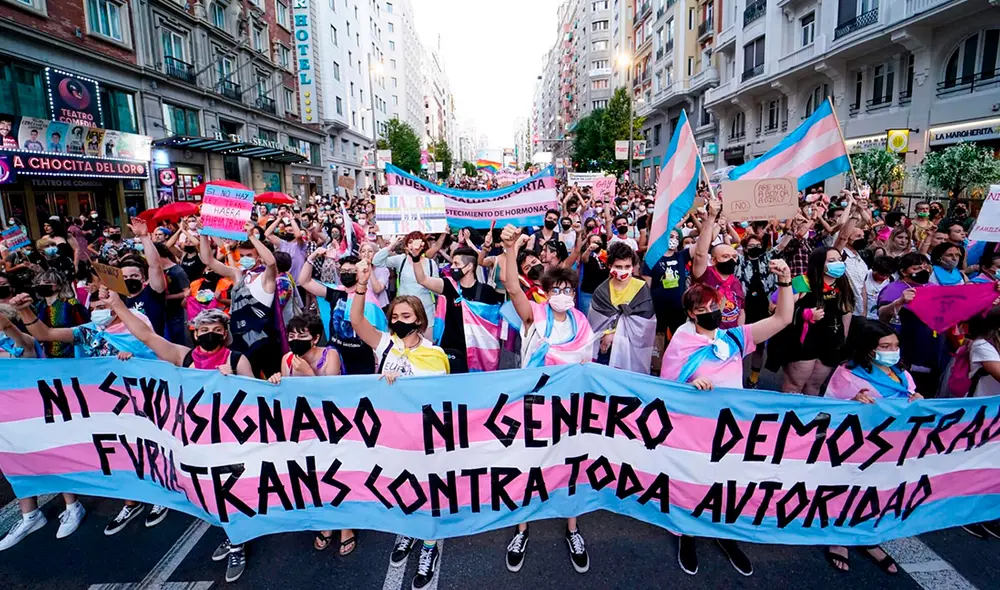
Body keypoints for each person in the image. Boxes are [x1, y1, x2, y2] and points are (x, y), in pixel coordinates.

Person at [660, 259, 793, 577]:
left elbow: (783, 318)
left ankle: (723, 532)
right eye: (705, 306)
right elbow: (666, 389)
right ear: (692, 313)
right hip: (691, 432)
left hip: (731, 430)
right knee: (691, 481)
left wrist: (786, 281)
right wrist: (690, 386)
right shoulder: (680, 345)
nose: (713, 310)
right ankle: (687, 533)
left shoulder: (734, 339)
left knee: (727, 483)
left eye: (716, 304)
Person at [108, 296, 254, 581]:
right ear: (195, 333)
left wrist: (236, 378)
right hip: (195, 439)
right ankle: (233, 534)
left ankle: (238, 543)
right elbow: (146, 336)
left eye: (216, 329)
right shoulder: (183, 357)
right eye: (203, 329)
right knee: (209, 494)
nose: (209, 333)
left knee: (229, 492)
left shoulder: (237, 359)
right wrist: (118, 307)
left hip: (229, 438)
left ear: (225, 332)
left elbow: (256, 398)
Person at [500, 224, 594, 575]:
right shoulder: (534, 317)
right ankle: (522, 528)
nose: (564, 294)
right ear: (546, 291)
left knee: (571, 469)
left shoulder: (582, 322)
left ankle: (573, 530)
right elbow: (511, 286)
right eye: (558, 289)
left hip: (571, 411)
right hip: (534, 409)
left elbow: (589, 367)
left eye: (569, 289)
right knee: (529, 468)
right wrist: (510, 249)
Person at [350, 260, 449, 590]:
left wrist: (405, 380)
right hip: (391, 435)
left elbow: (439, 395)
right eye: (395, 316)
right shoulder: (385, 344)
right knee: (403, 486)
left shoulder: (435, 354)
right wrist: (361, 285)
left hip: (424, 435)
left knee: (428, 488)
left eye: (406, 317)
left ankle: (429, 546)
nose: (398, 321)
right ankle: (408, 530)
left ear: (419, 320)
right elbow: (357, 321)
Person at [822, 318, 922, 572]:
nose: (892, 352)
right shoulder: (848, 374)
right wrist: (853, 402)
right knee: (849, 489)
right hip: (859, 447)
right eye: (885, 346)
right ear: (868, 347)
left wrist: (919, 400)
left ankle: (869, 538)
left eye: (895, 345)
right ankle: (839, 539)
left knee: (881, 491)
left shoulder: (902, 374)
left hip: (894, 446)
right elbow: (828, 409)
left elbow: (913, 402)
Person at [198, 225, 278, 377]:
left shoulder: (266, 278)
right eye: (241, 256)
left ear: (259, 257)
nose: (244, 259)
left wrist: (252, 237)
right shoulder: (238, 275)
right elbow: (209, 260)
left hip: (261, 340)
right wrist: (204, 233)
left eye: (249, 255)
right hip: (237, 337)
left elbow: (271, 263)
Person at [412, 246, 503, 373]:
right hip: (450, 347)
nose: (452, 267)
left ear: (469, 266)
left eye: (456, 263)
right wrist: (415, 259)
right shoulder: (449, 285)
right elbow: (423, 280)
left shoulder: (486, 292)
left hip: (477, 350)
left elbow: (493, 325)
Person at [781, 247, 856, 395]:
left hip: (831, 340)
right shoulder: (801, 281)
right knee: (794, 386)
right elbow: (775, 306)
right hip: (804, 341)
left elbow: (847, 310)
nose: (838, 264)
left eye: (839, 260)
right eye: (831, 261)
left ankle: (808, 416)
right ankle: (788, 415)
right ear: (819, 263)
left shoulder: (843, 283)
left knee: (815, 385)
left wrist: (844, 336)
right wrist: (804, 313)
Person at [299, 251, 387, 375]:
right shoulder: (336, 293)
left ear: (359, 274)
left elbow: (375, 331)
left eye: (350, 271)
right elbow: (305, 282)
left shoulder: (368, 300)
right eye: (343, 271)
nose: (346, 274)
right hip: (335, 356)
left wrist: (378, 362)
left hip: (360, 360)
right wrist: (311, 258)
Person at [587, 242, 655, 372]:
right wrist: (607, 334)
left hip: (633, 350)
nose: (623, 271)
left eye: (627, 266)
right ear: (609, 266)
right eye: (618, 266)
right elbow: (594, 325)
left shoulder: (641, 287)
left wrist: (614, 333)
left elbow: (646, 321)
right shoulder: (601, 292)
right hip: (606, 350)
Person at [691, 202, 744, 329]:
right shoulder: (704, 275)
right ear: (714, 260)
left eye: (734, 257)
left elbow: (741, 311)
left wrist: (739, 335)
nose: (731, 260)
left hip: (731, 337)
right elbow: (700, 253)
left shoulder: (736, 282)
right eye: (725, 257)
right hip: (708, 335)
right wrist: (711, 217)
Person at [373, 231, 439, 328]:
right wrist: (393, 243)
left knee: (425, 341)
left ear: (423, 245)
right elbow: (377, 261)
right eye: (410, 242)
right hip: (404, 308)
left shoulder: (430, 263)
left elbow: (436, 288)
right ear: (406, 246)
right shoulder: (401, 259)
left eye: (417, 241)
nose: (413, 245)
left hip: (425, 309)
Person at [30, 268, 90, 358]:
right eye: (39, 282)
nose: (41, 284)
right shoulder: (39, 305)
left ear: (58, 286)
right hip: (47, 356)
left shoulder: (71, 304)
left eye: (46, 282)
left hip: (73, 355)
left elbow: (85, 329)